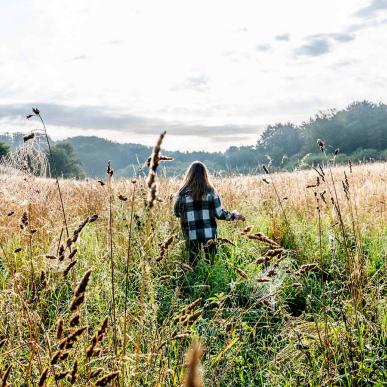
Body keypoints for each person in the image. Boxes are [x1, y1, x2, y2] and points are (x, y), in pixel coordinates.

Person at [173, 161, 245, 265]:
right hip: (209, 234)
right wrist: (234, 215)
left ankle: (195, 280)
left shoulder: (181, 194)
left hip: (191, 234)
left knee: (193, 264)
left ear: (189, 174)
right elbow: (219, 214)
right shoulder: (211, 192)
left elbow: (177, 213)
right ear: (205, 174)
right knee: (211, 263)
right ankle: (209, 280)